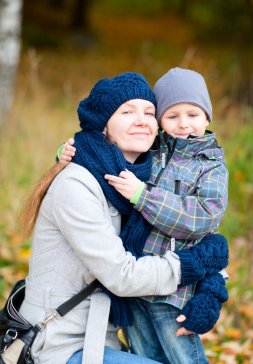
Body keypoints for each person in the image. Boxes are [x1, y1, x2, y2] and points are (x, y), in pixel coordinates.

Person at [60, 68, 229, 364]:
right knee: (144, 355)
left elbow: (203, 218)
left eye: (193, 115)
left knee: (182, 356)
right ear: (160, 120)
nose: (184, 124)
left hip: (174, 289)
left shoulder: (210, 166)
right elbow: (103, 155)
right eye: (172, 116)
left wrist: (143, 196)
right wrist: (66, 152)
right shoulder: (151, 151)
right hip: (137, 283)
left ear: (207, 118)